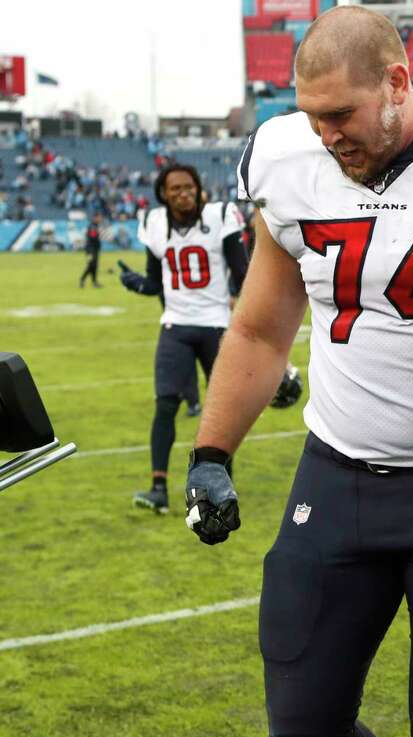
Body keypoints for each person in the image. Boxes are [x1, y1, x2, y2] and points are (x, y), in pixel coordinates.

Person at [184, 9, 413, 737]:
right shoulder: (286, 159)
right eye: (312, 117)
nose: (327, 135)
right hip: (337, 473)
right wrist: (211, 452)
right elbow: (264, 328)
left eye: (342, 114)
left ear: (399, 84)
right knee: (301, 731)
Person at [119, 164, 249, 513]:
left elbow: (243, 271)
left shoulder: (220, 215)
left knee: (222, 410)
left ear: (198, 188)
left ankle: (223, 487)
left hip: (216, 325)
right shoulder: (154, 223)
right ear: (164, 193)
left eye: (189, 186)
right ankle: (158, 488)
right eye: (175, 188)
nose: (183, 193)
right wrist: (137, 284)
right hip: (175, 325)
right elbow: (155, 281)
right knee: (165, 405)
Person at [80, 214, 103, 288]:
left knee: (95, 266)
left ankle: (94, 282)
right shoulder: (92, 226)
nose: (100, 219)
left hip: (94, 249)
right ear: (95, 218)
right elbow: (93, 237)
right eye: (99, 218)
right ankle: (82, 279)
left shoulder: (95, 226)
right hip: (91, 249)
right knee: (91, 265)